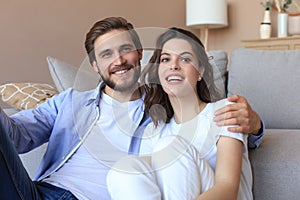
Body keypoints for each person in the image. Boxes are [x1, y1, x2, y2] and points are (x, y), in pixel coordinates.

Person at [0, 17, 261, 199]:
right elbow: (15, 138)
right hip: (36, 191)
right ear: (95, 66)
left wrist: (256, 125)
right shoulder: (69, 102)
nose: (119, 60)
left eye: (125, 50)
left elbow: (210, 126)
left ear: (139, 55)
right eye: (106, 54)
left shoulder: (157, 110)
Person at [106, 27, 253, 200]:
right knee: (124, 169)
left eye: (185, 59)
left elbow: (227, 188)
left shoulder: (225, 111)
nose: (174, 65)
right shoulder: (155, 130)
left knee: (169, 147)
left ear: (200, 72)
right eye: (166, 59)